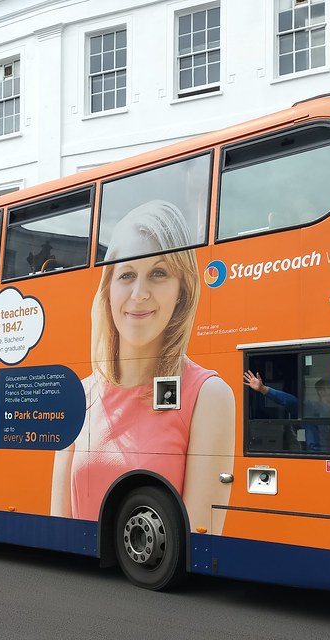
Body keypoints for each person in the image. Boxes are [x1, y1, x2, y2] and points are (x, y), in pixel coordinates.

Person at [50, 200, 234, 534]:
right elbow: (58, 531)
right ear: (108, 289)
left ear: (182, 290)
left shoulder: (208, 397)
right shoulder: (78, 396)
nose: (139, 293)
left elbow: (198, 544)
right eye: (127, 275)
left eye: (158, 273)